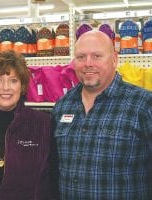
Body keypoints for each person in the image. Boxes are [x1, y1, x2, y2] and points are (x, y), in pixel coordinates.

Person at [52, 30, 152, 200]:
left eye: (97, 56)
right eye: (81, 57)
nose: (88, 63)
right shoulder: (62, 105)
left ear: (114, 59)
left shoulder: (143, 104)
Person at [0, 50, 59, 200]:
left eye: (13, 80)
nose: (5, 87)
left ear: (22, 85)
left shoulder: (43, 124)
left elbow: (53, 179)